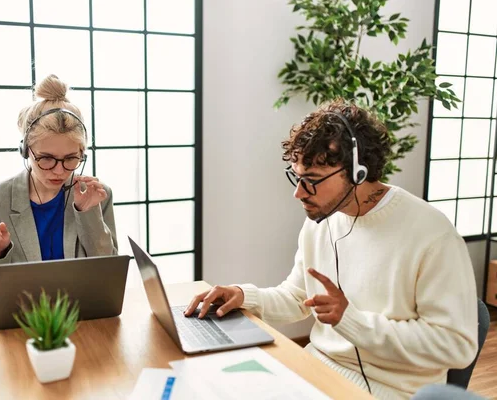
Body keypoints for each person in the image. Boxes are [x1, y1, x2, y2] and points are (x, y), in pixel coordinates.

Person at [184, 99, 478, 399]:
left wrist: (351, 320)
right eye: (298, 177)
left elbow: (456, 346)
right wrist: (244, 296)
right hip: (314, 370)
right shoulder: (321, 220)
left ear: (358, 172)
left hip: (392, 392)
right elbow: (300, 298)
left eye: (311, 181)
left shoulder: (431, 234)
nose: (299, 193)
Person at [0, 75, 118, 297]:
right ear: (26, 150)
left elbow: (109, 274)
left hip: (83, 316)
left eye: (71, 159)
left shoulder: (97, 194)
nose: (59, 171)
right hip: (21, 322)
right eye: (46, 158)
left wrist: (88, 214)